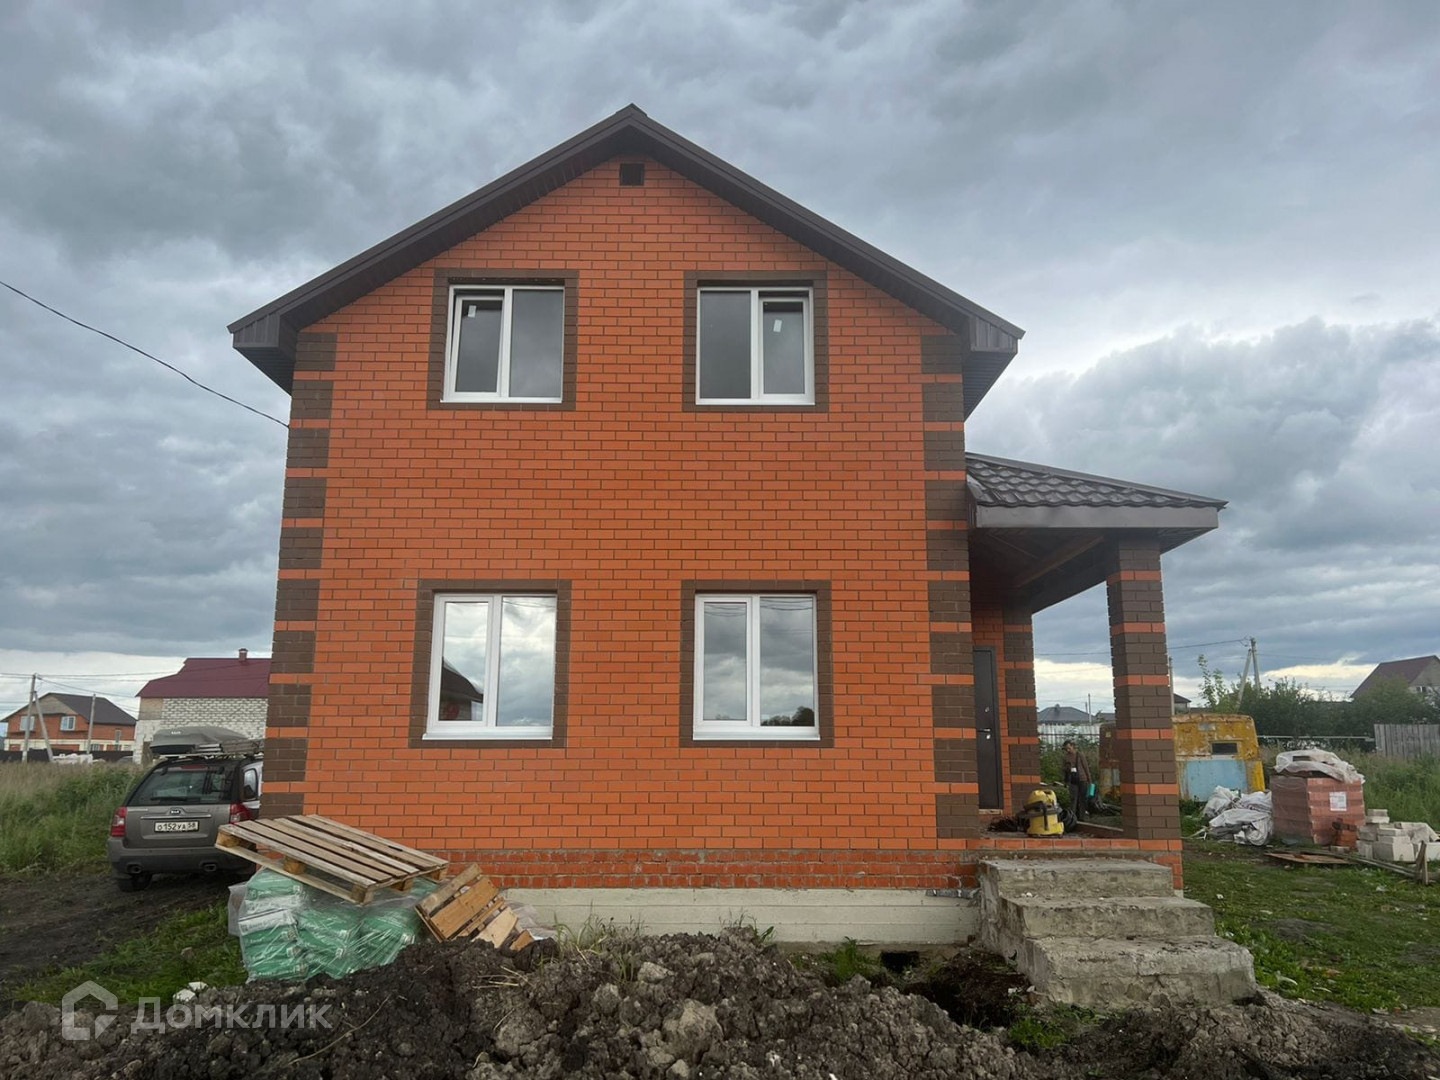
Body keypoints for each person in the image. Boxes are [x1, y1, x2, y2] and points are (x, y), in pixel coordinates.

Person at [1062, 740, 1093, 821]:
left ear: (1073, 746)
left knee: (1082, 798)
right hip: (1072, 779)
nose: (1068, 750)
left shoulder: (1080, 755)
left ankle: (1081, 817)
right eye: (1066, 749)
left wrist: (1089, 779)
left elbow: (1085, 767)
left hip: (1082, 778)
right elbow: (1064, 770)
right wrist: (1066, 778)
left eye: (1069, 748)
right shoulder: (1066, 757)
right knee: (1073, 798)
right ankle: (1072, 817)